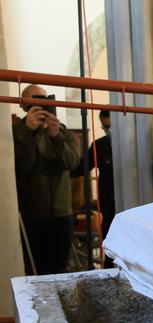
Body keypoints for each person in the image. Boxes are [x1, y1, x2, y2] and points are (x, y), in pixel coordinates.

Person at [13, 85, 82, 274]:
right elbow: (22, 164)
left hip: (61, 214)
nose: (40, 105)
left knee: (59, 271)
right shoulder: (17, 132)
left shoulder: (62, 132)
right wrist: (28, 131)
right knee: (33, 272)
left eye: (43, 99)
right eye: (33, 100)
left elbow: (72, 163)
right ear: (23, 105)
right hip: (31, 215)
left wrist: (56, 136)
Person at [71, 110, 115, 268]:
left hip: (130, 201)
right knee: (110, 243)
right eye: (105, 128)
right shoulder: (99, 146)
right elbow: (79, 169)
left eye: (110, 127)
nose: (108, 131)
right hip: (108, 204)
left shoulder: (133, 145)